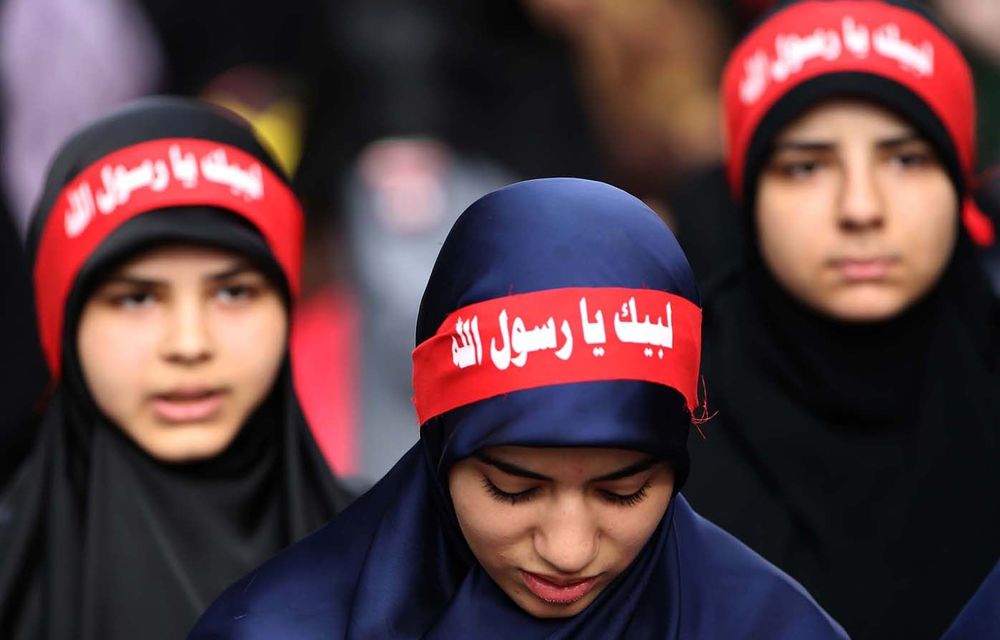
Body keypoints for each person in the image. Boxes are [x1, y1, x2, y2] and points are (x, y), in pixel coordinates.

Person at [190, 178, 847, 639]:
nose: (567, 550)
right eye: (512, 489)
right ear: (441, 442)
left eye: (623, 492)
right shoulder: (279, 629)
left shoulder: (772, 628)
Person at [681, 1, 1000, 638]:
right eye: (806, 166)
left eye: (906, 159)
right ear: (748, 194)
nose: (861, 208)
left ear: (960, 179)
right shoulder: (659, 429)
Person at [0, 97, 353, 640]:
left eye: (234, 292)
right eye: (137, 299)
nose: (190, 344)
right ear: (62, 322)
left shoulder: (408, 561)